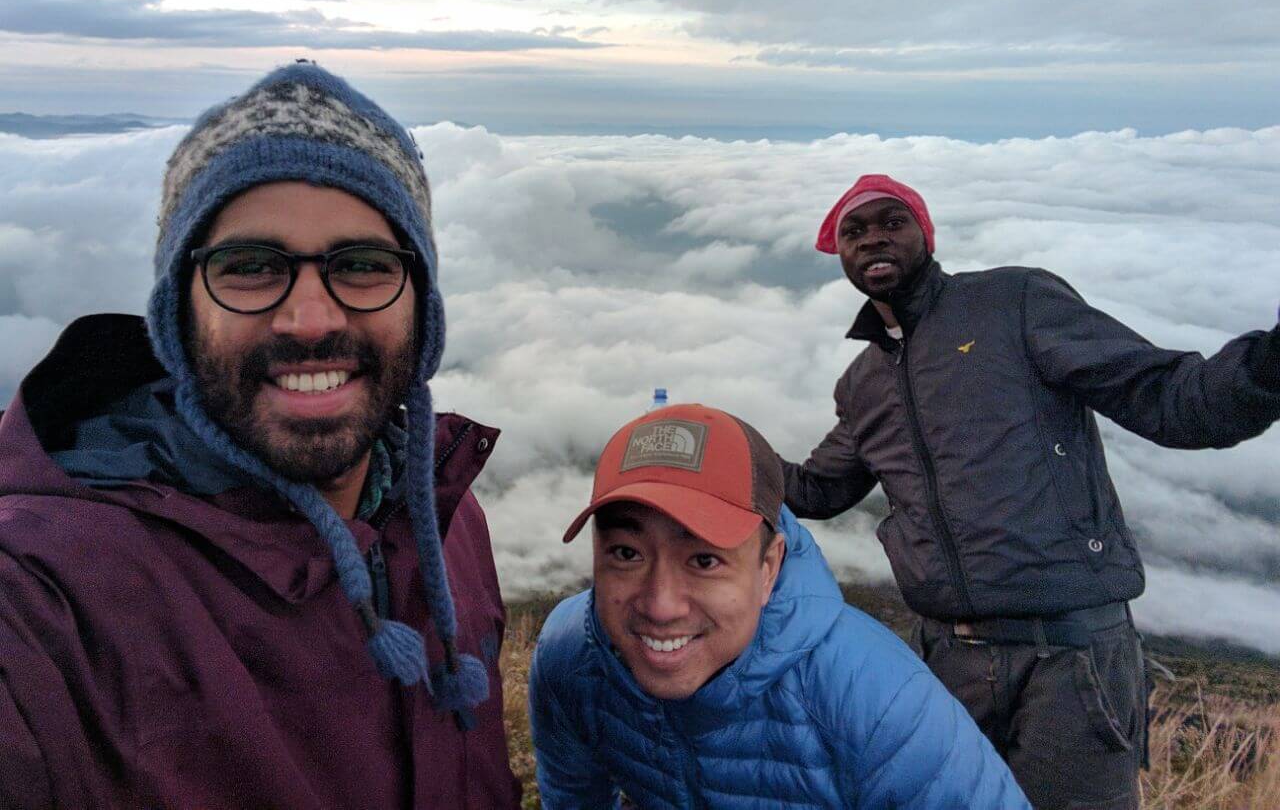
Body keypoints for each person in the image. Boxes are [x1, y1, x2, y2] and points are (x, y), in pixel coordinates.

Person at [0, 63, 521, 808]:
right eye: (249, 266)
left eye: (364, 265)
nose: (310, 318)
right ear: (179, 309)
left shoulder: (446, 519)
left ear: (421, 305)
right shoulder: (47, 597)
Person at [782, 173, 1280, 809]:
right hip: (946, 666)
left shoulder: (1013, 303)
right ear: (840, 255)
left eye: (892, 221)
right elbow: (816, 490)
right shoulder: (864, 382)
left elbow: (1169, 400)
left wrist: (1268, 366)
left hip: (1069, 660)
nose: (874, 237)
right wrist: (713, 445)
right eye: (855, 231)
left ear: (926, 236)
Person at [529, 402, 1030, 809]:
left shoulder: (876, 701)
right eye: (626, 554)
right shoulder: (572, 654)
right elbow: (573, 796)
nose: (660, 605)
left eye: (704, 560)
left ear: (769, 568)